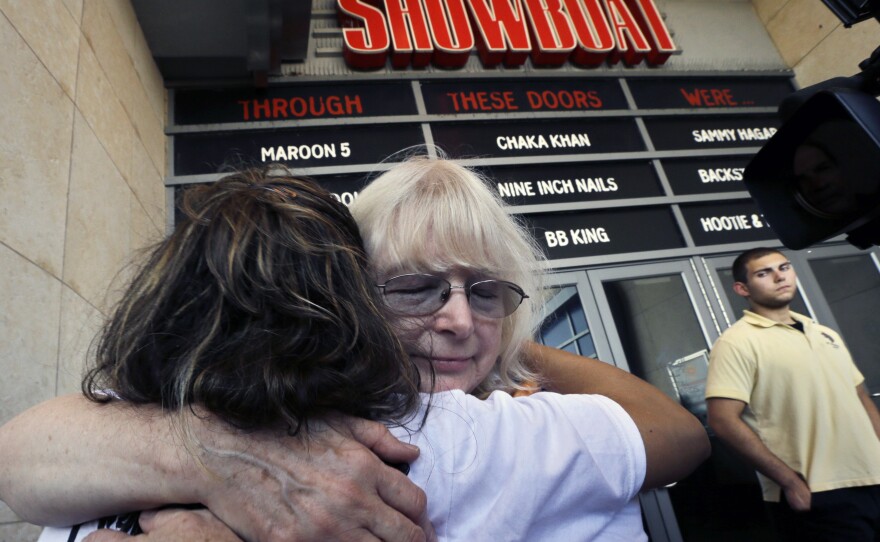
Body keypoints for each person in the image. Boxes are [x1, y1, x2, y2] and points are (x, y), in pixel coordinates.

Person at [1, 158, 709, 541]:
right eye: (417, 289)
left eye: (488, 291)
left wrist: (515, 352)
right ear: (349, 301)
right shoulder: (458, 444)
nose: (461, 321)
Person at [705, 247, 880, 542]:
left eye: (783, 267)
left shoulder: (824, 333)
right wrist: (788, 481)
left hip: (872, 478)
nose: (779, 277)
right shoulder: (737, 342)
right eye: (764, 273)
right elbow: (722, 420)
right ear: (742, 288)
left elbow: (860, 396)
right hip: (817, 492)